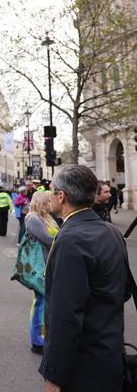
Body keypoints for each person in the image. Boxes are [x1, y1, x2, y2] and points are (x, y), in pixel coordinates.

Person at [40, 165, 126, 392]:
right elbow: (123, 290)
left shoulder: (71, 239)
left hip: (83, 366)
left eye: (51, 190)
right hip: (110, 353)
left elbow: (66, 315)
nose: (49, 195)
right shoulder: (111, 231)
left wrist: (54, 377)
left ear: (61, 195)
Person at [23, 191, 59, 355]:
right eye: (49, 201)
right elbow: (48, 239)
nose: (51, 204)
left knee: (46, 302)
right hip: (40, 266)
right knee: (40, 303)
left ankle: (44, 337)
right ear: (42, 203)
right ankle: (37, 341)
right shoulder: (33, 219)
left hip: (48, 264)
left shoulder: (46, 217)